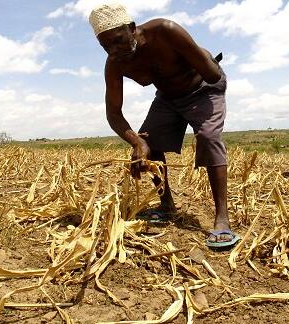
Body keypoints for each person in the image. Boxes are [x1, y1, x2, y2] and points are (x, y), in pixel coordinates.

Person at [89, 3, 240, 248]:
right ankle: (166, 205)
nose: (114, 50)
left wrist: (202, 63)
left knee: (208, 137)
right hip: (168, 98)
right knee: (150, 141)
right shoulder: (115, 63)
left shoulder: (165, 30)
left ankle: (222, 219)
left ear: (131, 28)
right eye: (106, 46)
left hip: (203, 89)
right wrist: (137, 141)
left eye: (118, 40)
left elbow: (211, 75)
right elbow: (113, 113)